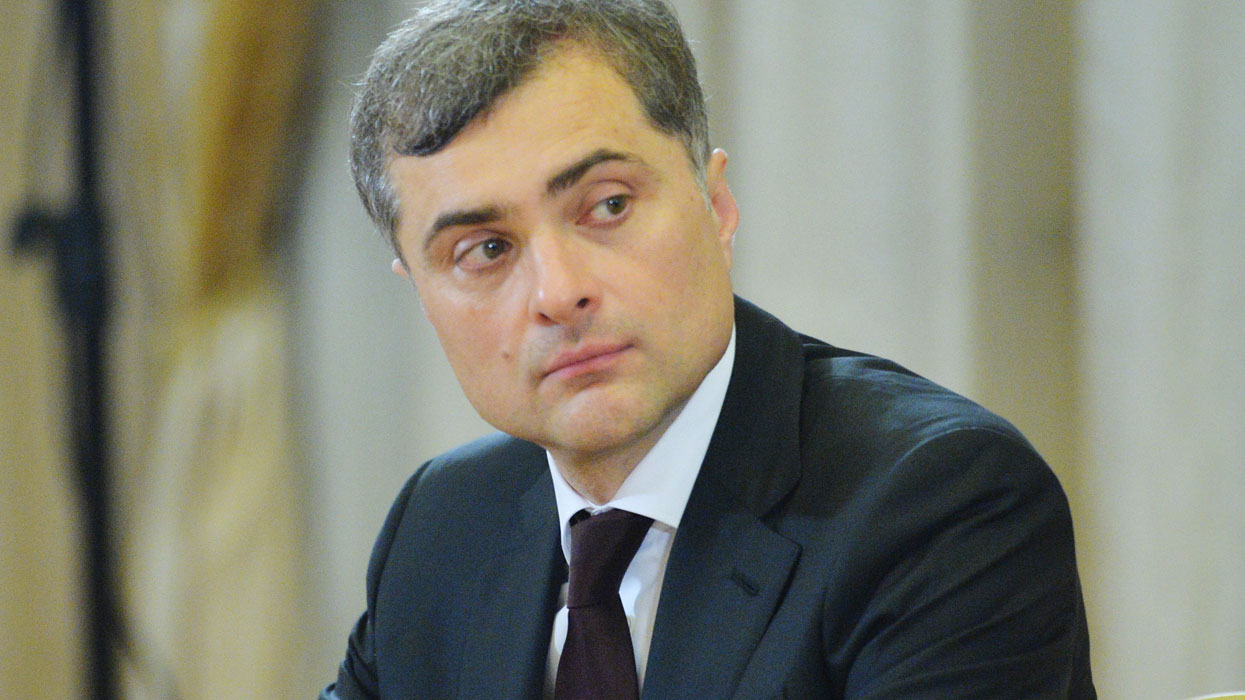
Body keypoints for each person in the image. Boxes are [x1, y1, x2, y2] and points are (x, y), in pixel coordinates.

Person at [322, 1, 1096, 698]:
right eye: (486, 250)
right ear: (419, 291)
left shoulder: (937, 505)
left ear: (716, 203)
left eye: (607, 205)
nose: (558, 293)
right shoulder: (442, 526)